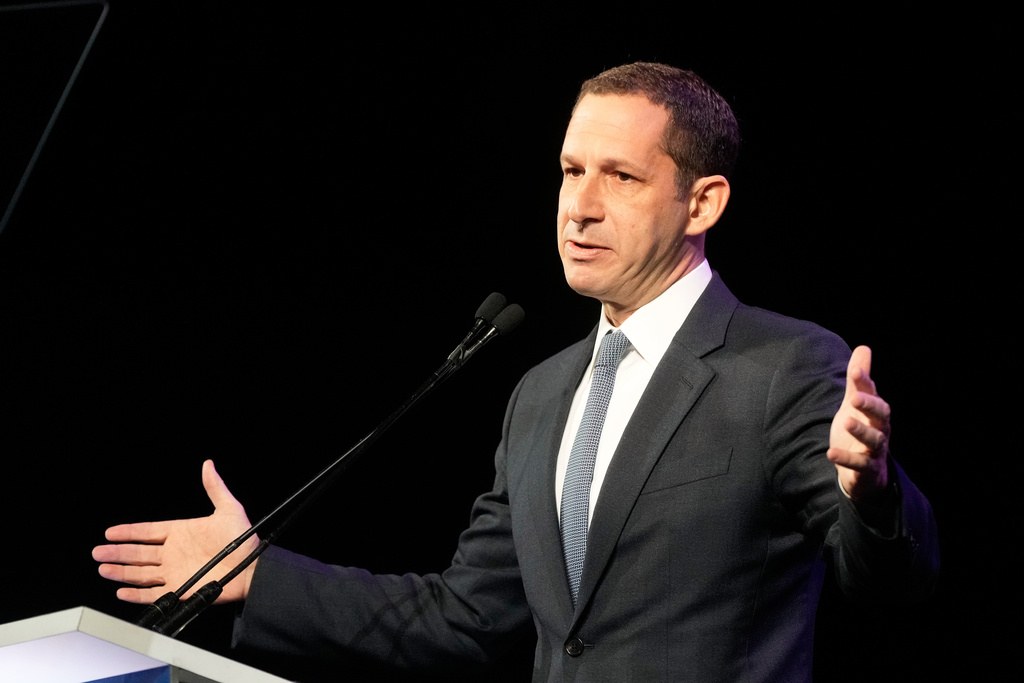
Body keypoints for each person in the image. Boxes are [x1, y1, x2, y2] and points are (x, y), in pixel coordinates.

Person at [93, 63, 938, 681]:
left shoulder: (780, 365)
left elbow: (892, 582)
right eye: (571, 171)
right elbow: (464, 617)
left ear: (702, 202)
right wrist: (258, 576)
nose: (581, 206)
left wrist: (872, 494)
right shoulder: (543, 393)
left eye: (621, 176)